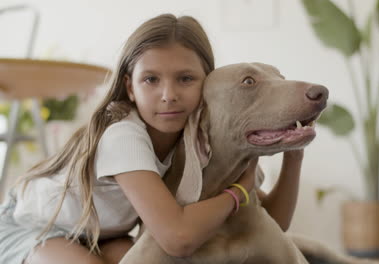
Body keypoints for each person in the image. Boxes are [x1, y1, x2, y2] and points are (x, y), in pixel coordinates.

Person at [0, 13, 304, 264]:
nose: (168, 95)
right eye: (151, 79)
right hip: (33, 227)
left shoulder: (199, 137)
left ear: (209, 85)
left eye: (185, 79)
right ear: (130, 88)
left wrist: (295, 152)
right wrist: (238, 191)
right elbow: (178, 238)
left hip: (105, 235)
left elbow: (274, 223)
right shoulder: (123, 136)